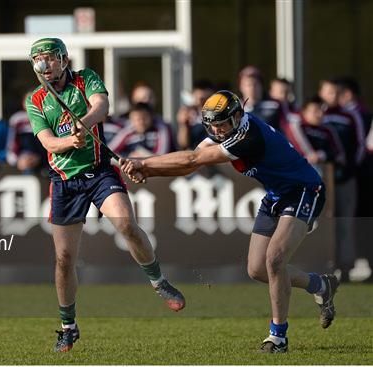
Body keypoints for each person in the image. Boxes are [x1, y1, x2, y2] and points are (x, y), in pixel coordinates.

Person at [121, 90, 339, 354]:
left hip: (304, 189)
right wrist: (149, 171)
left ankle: (278, 337)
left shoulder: (248, 137)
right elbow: (190, 164)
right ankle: (320, 285)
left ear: (238, 115)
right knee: (257, 269)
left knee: (275, 259)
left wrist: (143, 163)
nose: (217, 130)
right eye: (212, 125)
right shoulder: (223, 130)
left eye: (222, 123)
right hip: (275, 195)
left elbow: (193, 159)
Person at [25, 37, 185, 353]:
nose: (45, 65)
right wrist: (67, 143)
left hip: (99, 172)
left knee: (127, 225)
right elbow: (46, 141)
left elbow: (102, 106)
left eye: (49, 58)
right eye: (39, 60)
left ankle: (158, 281)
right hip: (64, 182)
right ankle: (68, 326)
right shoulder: (36, 99)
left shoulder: (86, 78)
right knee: (64, 259)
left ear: (63, 60)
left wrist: (83, 125)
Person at [318, 78, 364, 282]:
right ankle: (325, 265)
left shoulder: (350, 115)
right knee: (325, 224)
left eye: (336, 92)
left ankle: (345, 267)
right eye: (329, 92)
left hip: (345, 179)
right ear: (321, 93)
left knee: (345, 223)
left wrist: (350, 168)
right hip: (321, 181)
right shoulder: (317, 115)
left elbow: (361, 145)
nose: (333, 96)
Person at [109, 102, 174, 158]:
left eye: (144, 118)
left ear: (151, 116)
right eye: (137, 119)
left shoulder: (161, 129)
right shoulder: (127, 132)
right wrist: (128, 155)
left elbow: (162, 154)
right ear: (131, 119)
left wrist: (143, 158)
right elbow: (110, 151)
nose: (141, 122)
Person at [6, 92, 46, 174]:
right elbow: (11, 143)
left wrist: (41, 158)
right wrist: (17, 160)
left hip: (46, 161)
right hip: (25, 160)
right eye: (28, 100)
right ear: (23, 103)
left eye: (34, 99)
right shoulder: (17, 119)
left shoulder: (47, 117)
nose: (31, 103)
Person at [238, 66, 282, 131]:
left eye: (255, 84)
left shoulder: (275, 106)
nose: (252, 88)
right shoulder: (235, 109)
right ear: (240, 87)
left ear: (261, 85)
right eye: (248, 84)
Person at [176, 79, 215, 150]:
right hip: (194, 153)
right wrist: (183, 125)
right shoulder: (187, 113)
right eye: (199, 99)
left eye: (205, 99)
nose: (201, 102)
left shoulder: (218, 112)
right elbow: (183, 144)